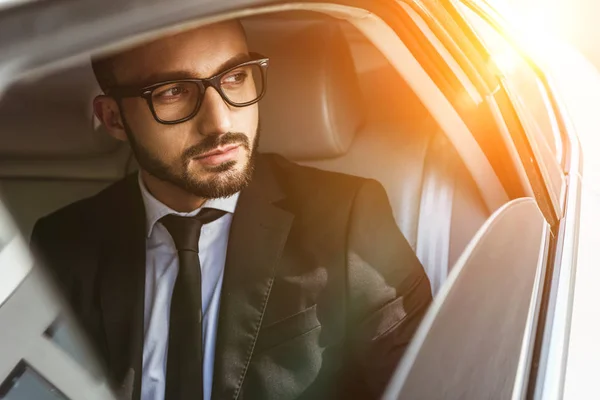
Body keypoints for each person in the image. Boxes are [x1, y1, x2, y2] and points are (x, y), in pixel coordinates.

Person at [30, 19, 432, 400]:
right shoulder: (62, 244)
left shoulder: (349, 220)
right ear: (114, 119)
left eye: (235, 77)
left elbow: (434, 385)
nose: (219, 121)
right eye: (173, 91)